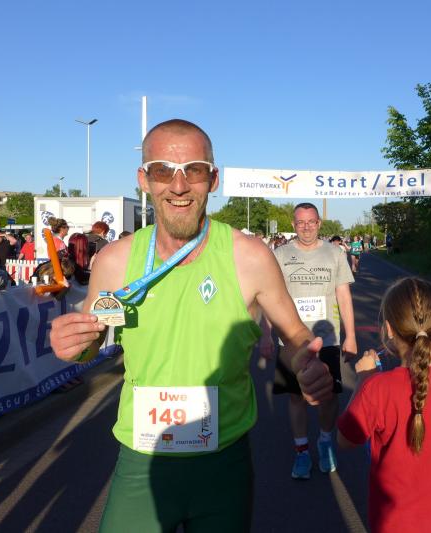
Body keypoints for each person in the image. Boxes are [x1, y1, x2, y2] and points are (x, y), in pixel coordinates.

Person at [50, 119, 332, 532]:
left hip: (223, 463)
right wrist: (76, 345)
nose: (179, 186)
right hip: (142, 460)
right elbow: (94, 341)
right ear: (144, 179)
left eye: (194, 170)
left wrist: (307, 364)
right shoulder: (114, 261)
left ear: (213, 179)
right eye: (163, 170)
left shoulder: (249, 257)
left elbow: (296, 336)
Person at [337, 278, 431, 533]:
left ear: (389, 329)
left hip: (394, 525)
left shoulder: (377, 388)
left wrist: (363, 379)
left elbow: (346, 439)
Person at [265, 203, 357, 479]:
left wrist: (351, 336)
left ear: (319, 223)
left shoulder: (335, 253)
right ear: (293, 225)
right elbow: (270, 296)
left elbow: (343, 296)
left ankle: (325, 442)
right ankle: (302, 451)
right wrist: (266, 334)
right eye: (300, 222)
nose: (306, 227)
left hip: (326, 337)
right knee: (296, 397)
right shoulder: (280, 255)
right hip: (291, 340)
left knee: (327, 396)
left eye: (311, 222)